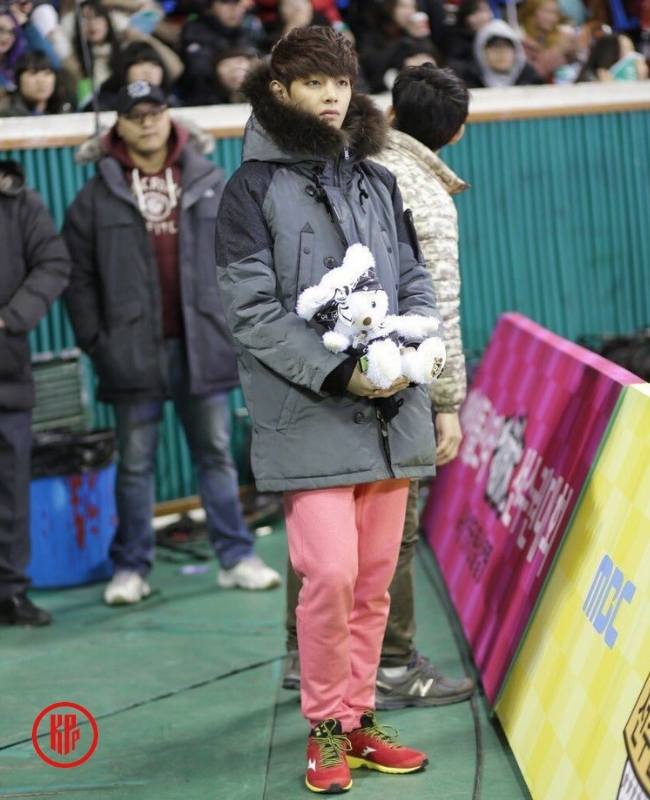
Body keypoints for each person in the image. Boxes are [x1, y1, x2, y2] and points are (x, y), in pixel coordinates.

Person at [215, 25, 439, 795]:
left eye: (340, 80)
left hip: (391, 410)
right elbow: (250, 313)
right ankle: (323, 726)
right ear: (279, 91)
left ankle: (358, 718)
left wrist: (414, 345)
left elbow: (414, 275)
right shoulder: (247, 190)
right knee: (332, 574)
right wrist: (340, 373)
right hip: (306, 414)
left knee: (376, 577)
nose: (332, 94)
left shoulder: (377, 180)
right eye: (313, 82)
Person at [283, 63, 476, 711]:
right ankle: (391, 664)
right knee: (389, 531)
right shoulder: (421, 190)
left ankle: (301, 654)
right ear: (458, 131)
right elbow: (439, 305)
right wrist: (447, 403)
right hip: (392, 381)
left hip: (325, 371)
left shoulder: (348, 166)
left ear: (392, 111)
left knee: (320, 516)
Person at [63, 81, 281, 606]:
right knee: (136, 464)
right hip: (131, 349)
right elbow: (77, 278)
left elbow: (243, 255)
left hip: (202, 340)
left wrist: (234, 324)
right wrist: (99, 342)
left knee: (216, 454)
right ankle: (131, 567)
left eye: (156, 112)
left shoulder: (208, 179)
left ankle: (236, 557)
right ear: (119, 123)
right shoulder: (96, 193)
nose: (147, 122)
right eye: (135, 115)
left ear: (169, 116)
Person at [0, 158, 71, 626]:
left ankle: (9, 591)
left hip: (6, 373)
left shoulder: (19, 203)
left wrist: (10, 319)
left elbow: (53, 261)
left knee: (9, 488)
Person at [178, 0, 265, 106]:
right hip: (204, 101)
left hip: (251, 101)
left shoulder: (248, 27)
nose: (233, 10)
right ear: (211, 7)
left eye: (237, 3)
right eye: (225, 3)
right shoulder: (195, 30)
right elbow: (198, 72)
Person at [452, 19, 544, 88]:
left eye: (507, 47)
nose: (501, 53)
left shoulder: (531, 79)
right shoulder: (466, 80)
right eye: (494, 47)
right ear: (480, 51)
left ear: (517, 51)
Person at [0, 49, 74, 115]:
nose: (41, 81)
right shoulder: (6, 113)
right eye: (33, 73)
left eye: (47, 73)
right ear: (18, 79)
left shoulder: (64, 110)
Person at [577, 32, 649, 81]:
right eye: (626, 49)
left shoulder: (637, 63)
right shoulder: (590, 76)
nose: (631, 55)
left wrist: (641, 76)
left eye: (631, 49)